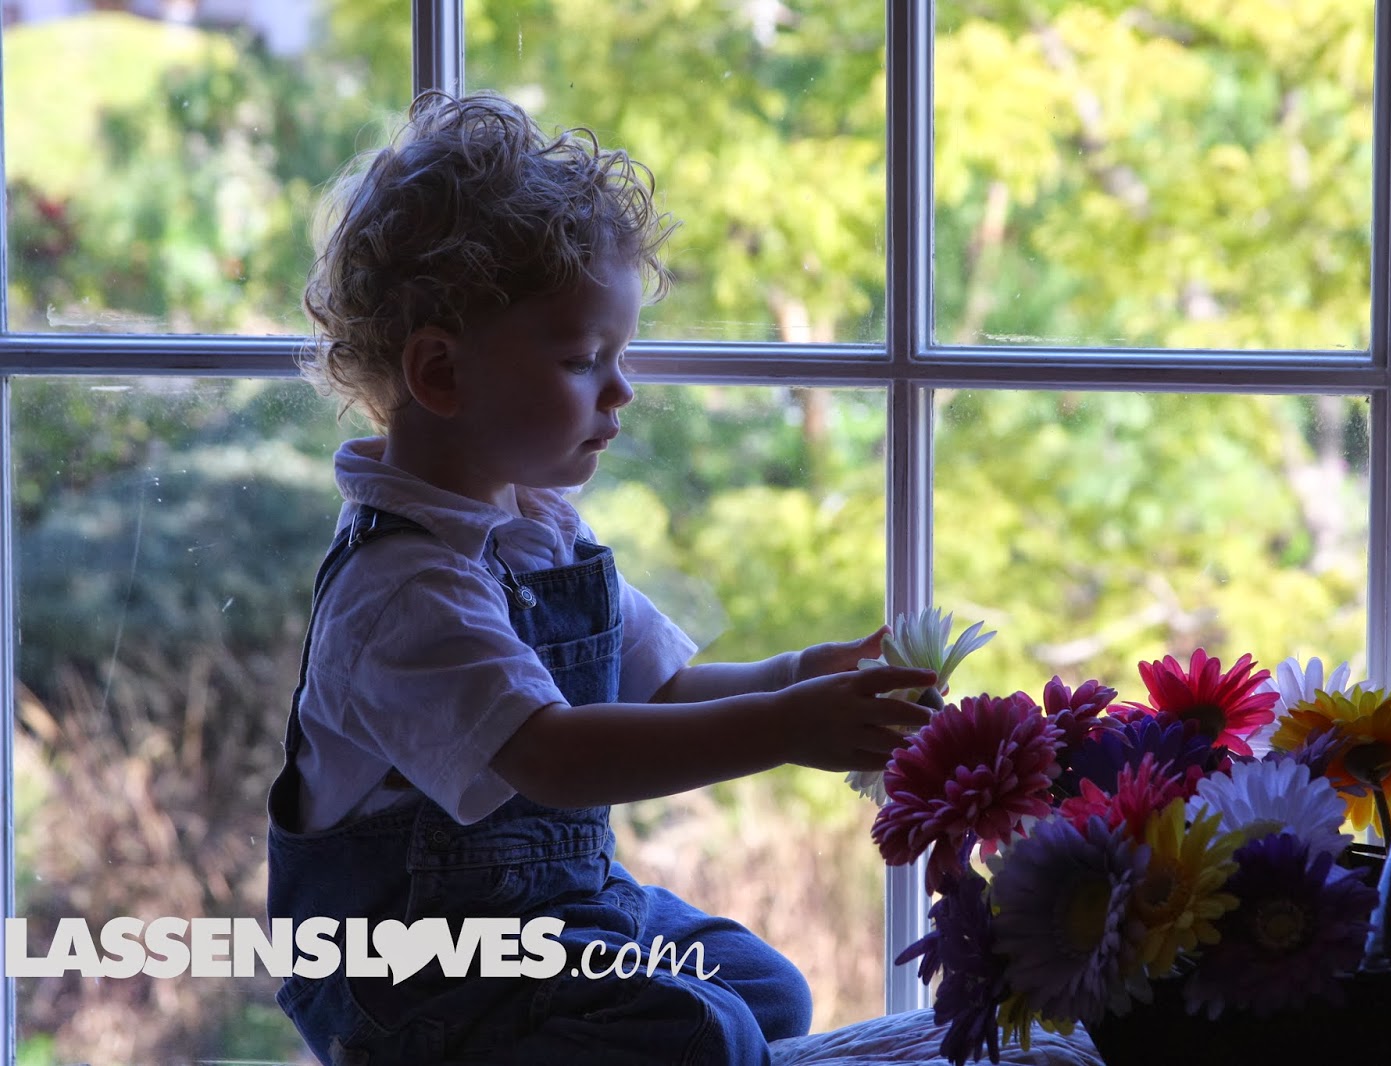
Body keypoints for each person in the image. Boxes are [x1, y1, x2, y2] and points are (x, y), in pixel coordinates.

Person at [264, 89, 934, 1066]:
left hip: (566, 916)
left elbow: (658, 690)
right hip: (424, 979)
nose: (621, 389)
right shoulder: (403, 586)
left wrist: (796, 675)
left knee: (760, 990)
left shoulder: (540, 528)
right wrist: (789, 727)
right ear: (441, 374)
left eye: (619, 355)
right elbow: (555, 757)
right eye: (584, 359)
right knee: (699, 1032)